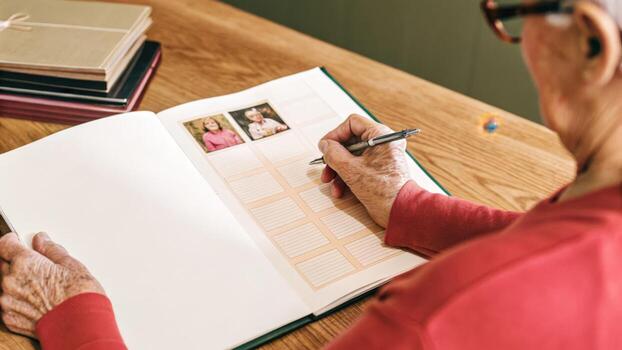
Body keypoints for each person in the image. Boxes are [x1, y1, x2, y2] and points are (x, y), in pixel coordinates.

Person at [0, 0, 620, 349]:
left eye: (508, 12)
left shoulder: (434, 319)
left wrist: (71, 317)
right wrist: (414, 207)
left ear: (593, 43)